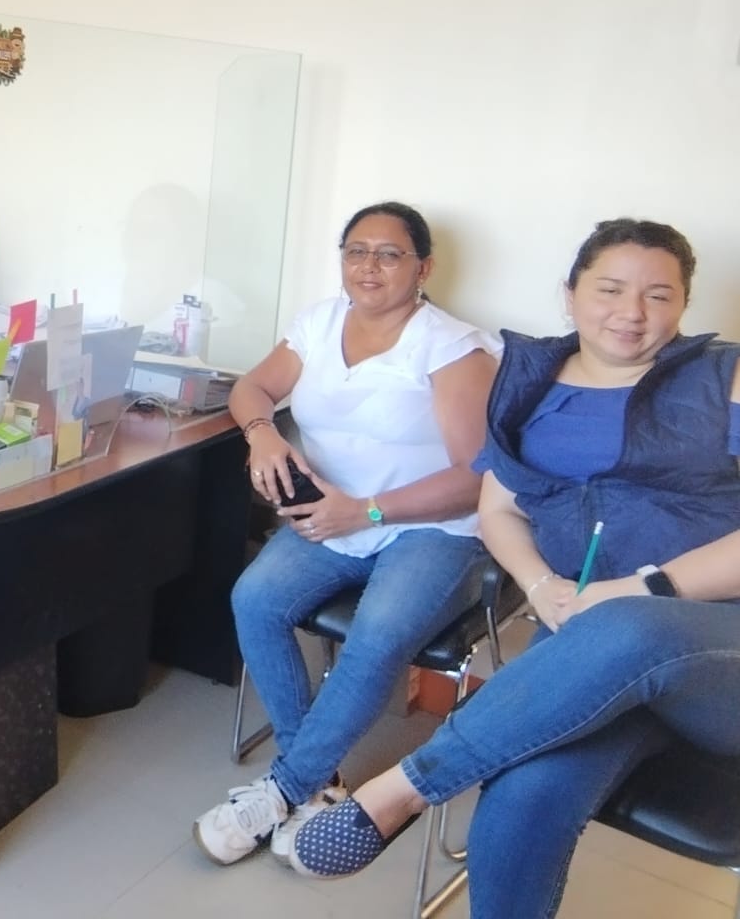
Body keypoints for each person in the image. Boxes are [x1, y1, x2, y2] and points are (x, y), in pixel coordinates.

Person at [289, 219, 740, 919]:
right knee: (519, 799)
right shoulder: (529, 382)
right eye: (610, 289)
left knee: (634, 626)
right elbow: (498, 510)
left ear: (682, 304)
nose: (631, 312)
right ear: (570, 294)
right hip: (586, 654)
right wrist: (541, 586)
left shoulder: (724, 377)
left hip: (713, 657)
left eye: (658, 295)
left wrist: (638, 589)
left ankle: (407, 786)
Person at [194, 201, 499, 866]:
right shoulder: (319, 322)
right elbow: (251, 388)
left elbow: (477, 478)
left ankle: (282, 788)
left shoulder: (450, 347)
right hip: (331, 515)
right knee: (255, 600)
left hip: (429, 527)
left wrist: (366, 512)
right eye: (356, 251)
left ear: (423, 268)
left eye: (389, 254)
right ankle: (316, 781)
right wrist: (262, 433)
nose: (369, 267)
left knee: (377, 635)